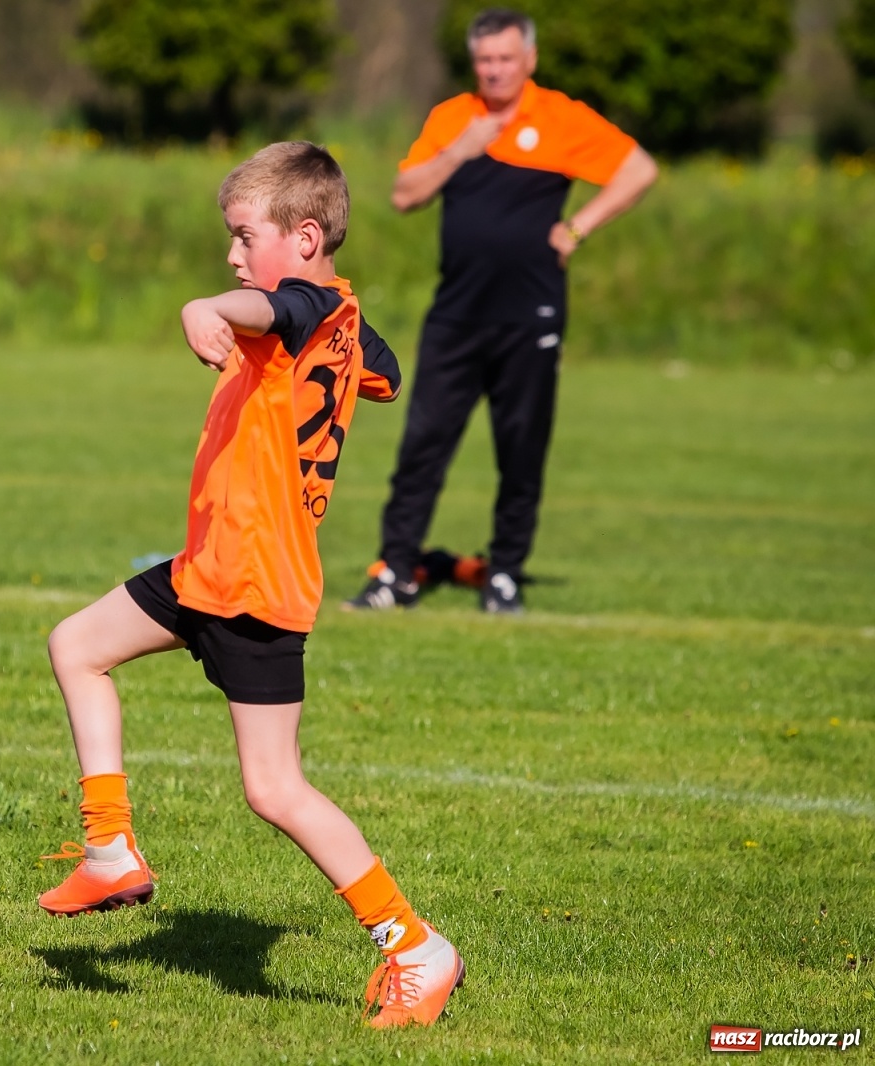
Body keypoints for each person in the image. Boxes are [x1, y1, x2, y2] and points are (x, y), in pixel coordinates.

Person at [36, 142, 464, 1028]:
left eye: (243, 237)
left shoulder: (296, 304)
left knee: (274, 788)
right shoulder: (331, 319)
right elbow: (380, 371)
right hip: (207, 569)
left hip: (255, 582)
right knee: (76, 646)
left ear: (305, 238)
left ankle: (417, 946)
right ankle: (110, 847)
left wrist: (208, 305)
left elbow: (270, 301)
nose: (232, 256)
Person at [345, 7, 658, 614]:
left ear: (529, 60)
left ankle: (506, 573)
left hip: (530, 317)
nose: (494, 70)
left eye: (505, 59)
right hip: (456, 315)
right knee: (422, 446)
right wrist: (459, 151)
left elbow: (639, 169)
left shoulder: (561, 119)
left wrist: (579, 226)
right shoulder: (453, 118)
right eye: (484, 60)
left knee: (521, 448)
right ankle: (395, 572)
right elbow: (405, 195)